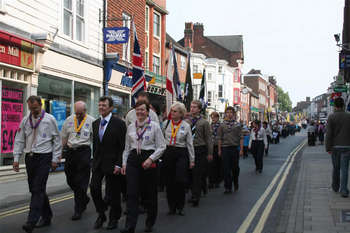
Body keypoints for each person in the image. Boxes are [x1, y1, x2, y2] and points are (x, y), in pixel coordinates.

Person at [13, 96, 62, 233]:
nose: (33, 111)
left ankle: (31, 221)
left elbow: (57, 140)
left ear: (40, 105)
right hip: (30, 157)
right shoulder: (25, 120)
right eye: (30, 108)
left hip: (44, 157)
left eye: (35, 108)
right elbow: (19, 139)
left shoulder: (49, 119)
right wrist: (16, 158)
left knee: (38, 188)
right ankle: (47, 216)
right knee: (35, 189)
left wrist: (55, 159)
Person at [120, 100, 166, 233]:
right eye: (137, 110)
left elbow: (162, 146)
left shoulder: (155, 126)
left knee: (149, 194)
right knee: (132, 194)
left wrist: (151, 159)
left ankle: (150, 223)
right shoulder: (130, 127)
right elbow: (127, 148)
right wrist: (124, 163)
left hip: (149, 159)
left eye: (142, 110)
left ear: (147, 112)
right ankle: (130, 226)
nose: (140, 112)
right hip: (133, 160)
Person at [90, 96, 127, 230]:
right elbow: (96, 145)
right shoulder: (95, 123)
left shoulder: (119, 124)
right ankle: (101, 214)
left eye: (104, 105)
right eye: (99, 105)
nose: (101, 107)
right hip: (98, 163)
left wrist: (119, 164)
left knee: (114, 194)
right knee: (94, 188)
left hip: (113, 163)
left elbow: (122, 146)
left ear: (111, 108)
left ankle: (114, 218)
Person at [61, 101, 95, 220]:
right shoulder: (69, 120)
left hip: (84, 152)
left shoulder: (92, 121)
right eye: (77, 113)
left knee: (81, 182)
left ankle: (78, 209)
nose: (78, 116)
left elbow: (95, 140)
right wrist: (59, 153)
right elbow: (64, 137)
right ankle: (84, 198)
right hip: (70, 152)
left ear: (85, 111)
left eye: (80, 113)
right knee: (70, 179)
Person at [162, 102, 195, 216]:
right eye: (171, 111)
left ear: (181, 113)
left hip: (181, 153)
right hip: (168, 152)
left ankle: (180, 206)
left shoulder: (185, 125)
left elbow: (189, 143)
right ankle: (171, 207)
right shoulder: (166, 123)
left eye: (175, 111)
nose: (172, 113)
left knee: (180, 180)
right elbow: (161, 140)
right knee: (169, 181)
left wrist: (192, 160)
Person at [186, 100, 213, 206]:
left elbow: (208, 139)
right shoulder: (187, 121)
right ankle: (195, 191)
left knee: (197, 173)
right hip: (189, 149)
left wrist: (210, 153)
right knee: (190, 174)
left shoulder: (204, 122)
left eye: (194, 107)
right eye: (191, 107)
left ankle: (195, 196)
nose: (192, 109)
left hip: (199, 149)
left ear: (199, 109)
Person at [326, 97, 350, 197]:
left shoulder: (331, 117)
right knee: (345, 169)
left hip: (335, 147)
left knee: (336, 168)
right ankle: (343, 190)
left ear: (335, 106)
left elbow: (329, 134)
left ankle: (335, 187)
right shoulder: (348, 116)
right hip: (347, 146)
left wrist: (328, 147)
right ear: (343, 105)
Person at [217, 106, 244, 193]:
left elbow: (241, 138)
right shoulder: (222, 125)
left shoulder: (237, 125)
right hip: (225, 148)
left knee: (235, 168)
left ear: (233, 114)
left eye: (231, 112)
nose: (229, 114)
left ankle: (235, 181)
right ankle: (227, 187)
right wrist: (219, 150)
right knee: (226, 168)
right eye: (227, 112)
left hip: (234, 148)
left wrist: (241, 150)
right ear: (225, 114)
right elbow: (219, 138)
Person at [209, 111, 222, 188]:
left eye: (214, 117)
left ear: (217, 117)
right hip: (211, 146)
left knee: (217, 164)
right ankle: (211, 181)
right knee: (211, 164)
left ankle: (217, 181)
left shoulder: (221, 126)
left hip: (218, 146)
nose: (212, 119)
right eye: (211, 117)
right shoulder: (210, 125)